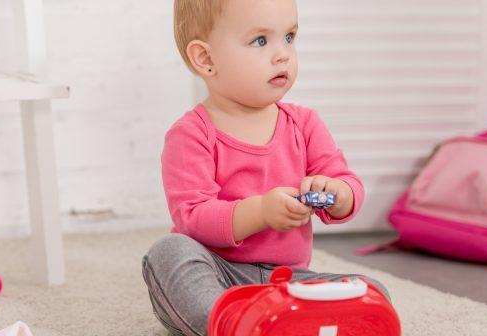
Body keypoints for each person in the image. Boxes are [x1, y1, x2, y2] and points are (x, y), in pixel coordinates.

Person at [141, 1, 391, 335]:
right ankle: (228, 323)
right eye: (261, 41)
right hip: (220, 276)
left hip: (287, 282)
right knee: (168, 253)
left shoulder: (305, 124)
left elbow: (347, 183)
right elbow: (193, 216)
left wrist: (337, 193)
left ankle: (277, 322)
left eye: (289, 37)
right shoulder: (191, 134)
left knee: (372, 291)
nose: (283, 54)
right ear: (207, 58)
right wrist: (260, 212)